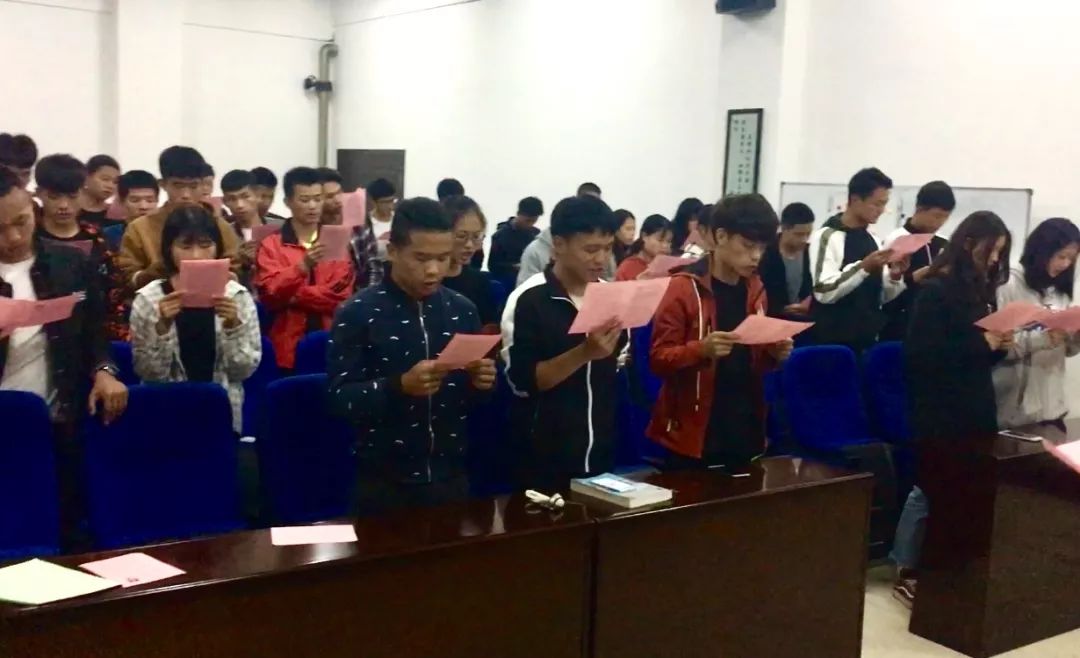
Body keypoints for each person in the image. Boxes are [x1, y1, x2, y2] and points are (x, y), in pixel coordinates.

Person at [328, 197, 496, 515]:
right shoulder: (358, 312)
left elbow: (474, 403)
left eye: (443, 258)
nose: (433, 270)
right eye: (421, 258)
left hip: (451, 474)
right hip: (382, 480)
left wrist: (482, 382)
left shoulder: (462, 310)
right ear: (393, 251)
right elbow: (339, 399)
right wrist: (399, 386)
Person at [0, 166, 128, 549]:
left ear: (33, 208)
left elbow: (94, 333)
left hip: (58, 418)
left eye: (21, 222)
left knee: (62, 523)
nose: (13, 237)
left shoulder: (70, 263)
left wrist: (104, 371)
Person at [894, 210, 1013, 608]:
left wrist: (998, 347)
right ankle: (916, 574)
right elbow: (923, 356)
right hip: (940, 413)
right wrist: (981, 344)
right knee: (938, 495)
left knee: (969, 497)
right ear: (968, 244)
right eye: (990, 251)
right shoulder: (936, 290)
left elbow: (976, 357)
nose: (993, 261)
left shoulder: (979, 292)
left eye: (999, 254)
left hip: (975, 407)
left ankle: (957, 579)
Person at [648, 194, 792, 471]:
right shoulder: (683, 287)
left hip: (745, 424)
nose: (756, 256)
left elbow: (752, 363)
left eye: (762, 247)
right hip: (695, 432)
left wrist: (772, 353)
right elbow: (658, 359)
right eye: (748, 245)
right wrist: (701, 349)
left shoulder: (756, 289)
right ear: (721, 236)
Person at [502, 194, 626, 490]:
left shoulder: (611, 296)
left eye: (608, 248)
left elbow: (617, 365)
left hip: (600, 450)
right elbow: (523, 382)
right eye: (591, 249)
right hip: (542, 457)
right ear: (558, 244)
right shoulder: (529, 299)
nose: (601, 259)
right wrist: (584, 352)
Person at [130, 205, 262, 433]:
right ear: (169, 248)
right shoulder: (148, 299)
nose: (196, 255)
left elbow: (243, 371)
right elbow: (149, 373)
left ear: (218, 247)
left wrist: (233, 326)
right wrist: (161, 328)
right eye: (185, 246)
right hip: (165, 414)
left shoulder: (236, 296)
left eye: (205, 245)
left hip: (221, 412)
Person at [255, 166, 354, 372]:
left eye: (318, 199)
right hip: (286, 347)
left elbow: (340, 295)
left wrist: (293, 297)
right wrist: (301, 267)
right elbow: (270, 294)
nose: (313, 206)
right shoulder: (272, 245)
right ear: (288, 202)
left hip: (332, 342)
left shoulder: (335, 240)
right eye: (304, 200)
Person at [809, 167, 908, 354]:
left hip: (867, 341)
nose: (881, 210)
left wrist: (895, 277)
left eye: (884, 204)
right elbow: (823, 291)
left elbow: (879, 297)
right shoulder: (827, 236)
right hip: (831, 342)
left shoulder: (873, 239)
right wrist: (863, 267)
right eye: (877, 204)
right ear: (855, 200)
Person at [994, 217, 1080, 429]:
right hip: (1014, 412)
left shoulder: (1059, 290)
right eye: (1061, 256)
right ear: (1041, 251)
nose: (1066, 264)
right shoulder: (1008, 283)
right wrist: (1044, 337)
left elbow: (1066, 350)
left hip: (1053, 408)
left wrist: (1075, 338)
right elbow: (999, 347)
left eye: (1072, 258)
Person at [33, 154, 128, 340]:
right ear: (39, 193)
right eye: (54, 197)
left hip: (89, 334)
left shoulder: (97, 239)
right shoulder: (29, 240)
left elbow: (113, 294)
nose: (64, 205)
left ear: (82, 191)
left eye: (72, 196)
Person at [118, 146, 239, 290]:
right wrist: (153, 273)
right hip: (156, 301)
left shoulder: (220, 225)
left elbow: (234, 267)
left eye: (193, 186)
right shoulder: (140, 228)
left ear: (203, 185)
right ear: (163, 184)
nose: (186, 195)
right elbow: (127, 276)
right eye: (178, 186)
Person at [880, 181, 955, 340]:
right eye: (937, 216)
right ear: (919, 209)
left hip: (933, 323)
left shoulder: (943, 243)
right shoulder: (896, 239)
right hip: (899, 323)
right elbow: (883, 291)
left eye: (946, 217)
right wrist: (913, 278)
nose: (940, 222)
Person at [441, 195, 498, 329]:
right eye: (461, 236)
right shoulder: (427, 282)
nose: (469, 245)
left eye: (476, 237)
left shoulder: (481, 283)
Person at [760, 202, 814, 319]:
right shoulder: (766, 254)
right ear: (784, 228)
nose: (804, 239)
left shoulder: (811, 254)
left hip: (804, 320)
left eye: (808, 234)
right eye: (799, 234)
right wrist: (781, 309)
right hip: (773, 319)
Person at [349, 177, 396, 292]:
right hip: (373, 277)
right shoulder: (365, 224)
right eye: (385, 202)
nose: (390, 206)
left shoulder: (399, 219)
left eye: (392, 201)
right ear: (374, 202)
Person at [220, 169, 263, 290]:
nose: (240, 205)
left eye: (245, 196)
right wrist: (241, 264)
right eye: (232, 199)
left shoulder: (279, 228)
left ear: (258, 195)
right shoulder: (223, 233)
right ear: (224, 202)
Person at [489, 196, 543, 284]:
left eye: (534, 221)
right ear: (519, 214)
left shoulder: (536, 234)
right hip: (506, 281)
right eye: (528, 221)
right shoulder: (500, 236)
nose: (530, 224)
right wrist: (513, 267)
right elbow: (492, 266)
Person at [615, 214, 673, 281]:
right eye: (660, 240)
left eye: (668, 241)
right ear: (644, 236)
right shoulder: (627, 267)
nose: (665, 245)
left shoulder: (670, 268)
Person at [78, 155, 121, 229]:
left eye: (115, 182)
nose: (110, 186)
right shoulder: (69, 210)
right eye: (105, 179)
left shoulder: (116, 214)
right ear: (86, 177)